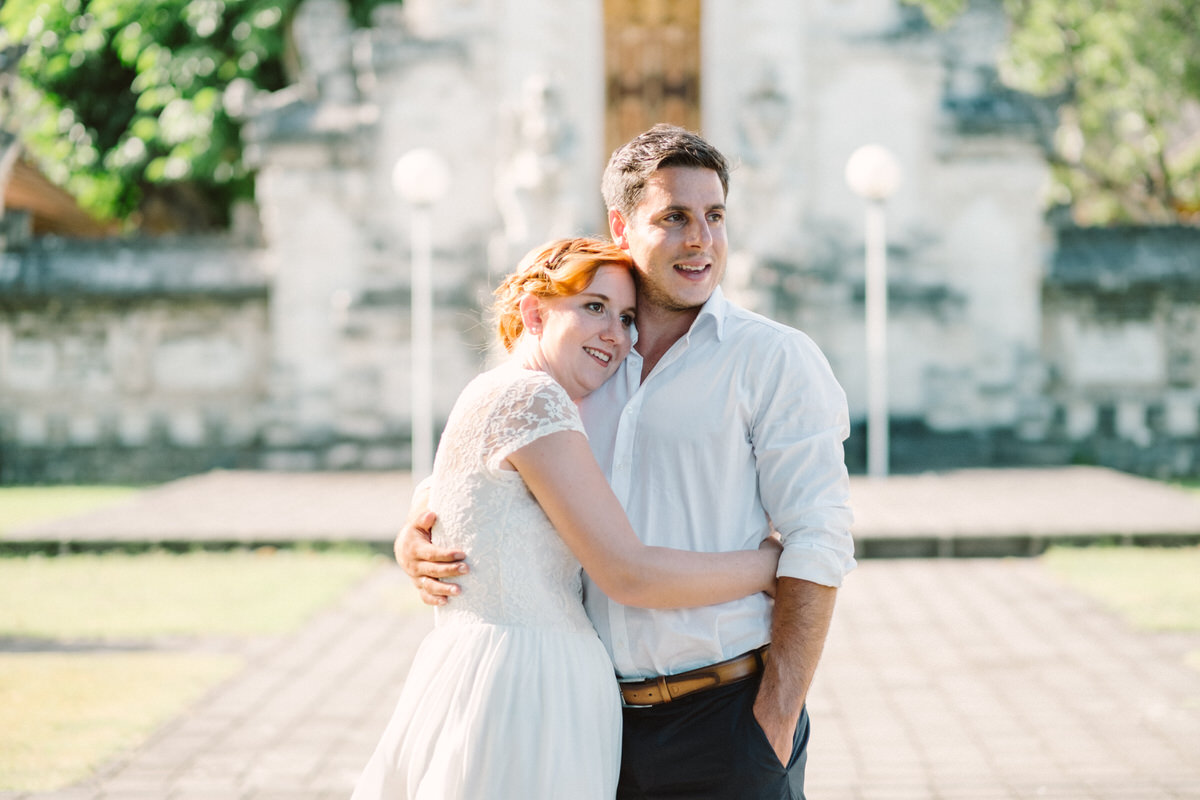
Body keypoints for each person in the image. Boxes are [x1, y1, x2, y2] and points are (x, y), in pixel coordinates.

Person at [399, 125, 856, 799]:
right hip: (589, 723)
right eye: (674, 217)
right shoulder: (587, 359)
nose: (700, 239)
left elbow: (820, 539)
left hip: (726, 716)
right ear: (622, 224)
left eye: (715, 217)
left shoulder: (774, 359)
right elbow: (488, 469)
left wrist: (775, 721)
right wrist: (418, 531)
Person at [353, 237, 783, 800]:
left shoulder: (503, 392)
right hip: (527, 689)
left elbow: (457, 493)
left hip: (492, 671)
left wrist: (416, 522)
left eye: (626, 317)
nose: (615, 333)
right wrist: (773, 564)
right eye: (593, 306)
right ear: (534, 311)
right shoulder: (535, 399)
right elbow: (628, 573)